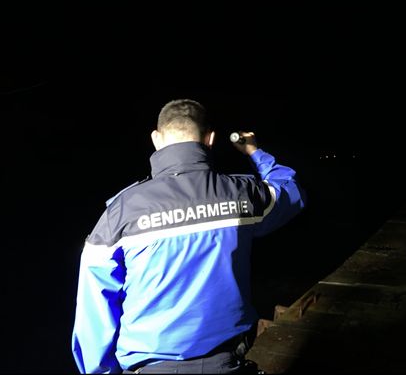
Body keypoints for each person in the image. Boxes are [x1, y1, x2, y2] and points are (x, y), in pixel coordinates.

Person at [71, 98, 307, 374]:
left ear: (156, 140)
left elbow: (95, 308)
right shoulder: (240, 194)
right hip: (227, 362)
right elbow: (290, 191)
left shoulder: (121, 212)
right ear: (210, 139)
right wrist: (253, 151)